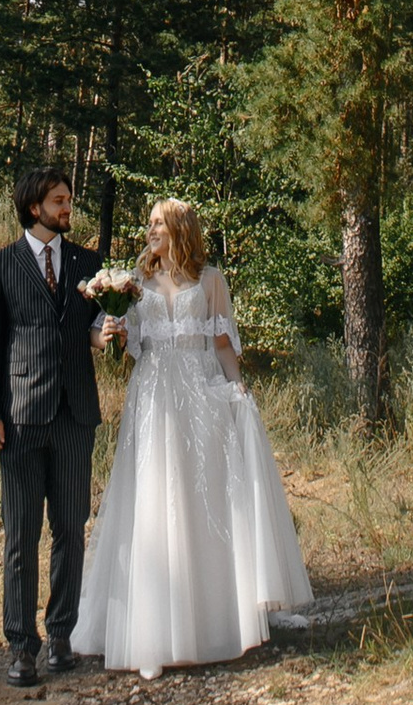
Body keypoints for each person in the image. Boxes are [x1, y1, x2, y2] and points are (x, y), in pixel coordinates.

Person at [76, 196, 311, 677]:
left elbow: (223, 345)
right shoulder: (136, 282)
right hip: (153, 397)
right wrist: (114, 329)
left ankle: (212, 620)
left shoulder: (210, 280)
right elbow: (125, 348)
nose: (150, 230)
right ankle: (153, 631)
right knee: (155, 497)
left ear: (181, 228)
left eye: (158, 223)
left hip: (199, 394)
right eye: (148, 224)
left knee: (203, 501)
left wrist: (237, 390)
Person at [0, 164, 103, 688]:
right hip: (21, 418)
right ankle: (21, 647)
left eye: (68, 200)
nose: (67, 208)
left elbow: (93, 329)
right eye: (59, 201)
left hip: (76, 416)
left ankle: (62, 636)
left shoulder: (87, 263)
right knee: (21, 536)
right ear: (35, 208)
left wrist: (108, 329)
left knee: (72, 530)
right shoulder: (1, 266)